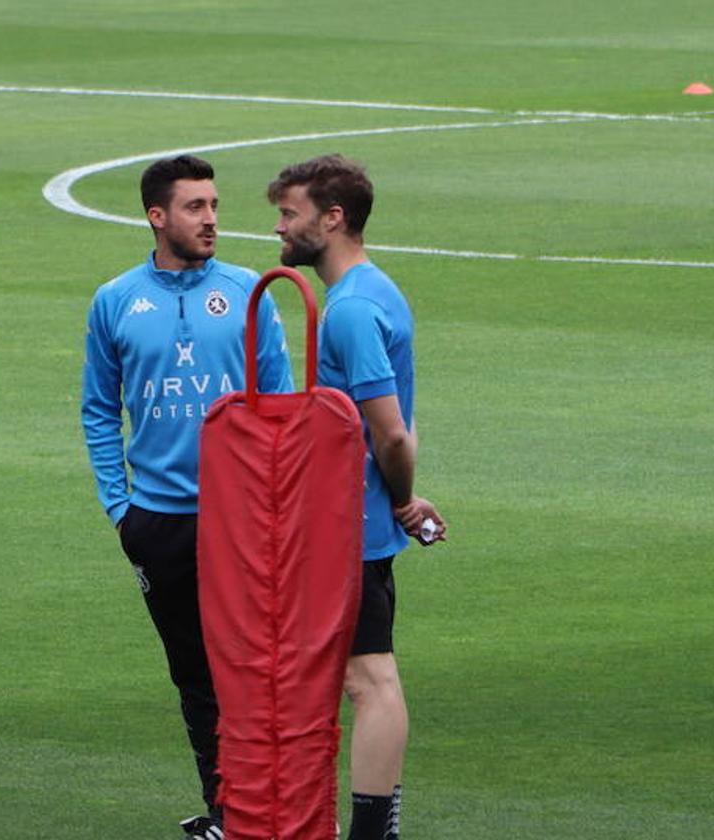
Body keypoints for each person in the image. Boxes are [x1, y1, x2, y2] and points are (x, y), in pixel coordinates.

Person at [81, 155, 293, 839]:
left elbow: (284, 408)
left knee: (256, 672)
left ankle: (271, 808)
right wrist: (121, 508)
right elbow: (97, 409)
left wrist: (273, 506)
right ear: (157, 216)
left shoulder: (251, 291)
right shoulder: (115, 300)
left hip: (243, 522)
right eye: (196, 207)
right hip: (160, 525)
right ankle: (232, 814)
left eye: (214, 205)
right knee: (195, 678)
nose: (211, 219)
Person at [267, 155, 447, 840]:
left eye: (290, 214)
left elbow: (392, 434)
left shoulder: (349, 312)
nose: (280, 228)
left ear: (332, 217)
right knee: (357, 680)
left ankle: (374, 832)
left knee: (370, 683)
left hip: (350, 529)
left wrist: (401, 498)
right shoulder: (379, 291)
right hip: (355, 522)